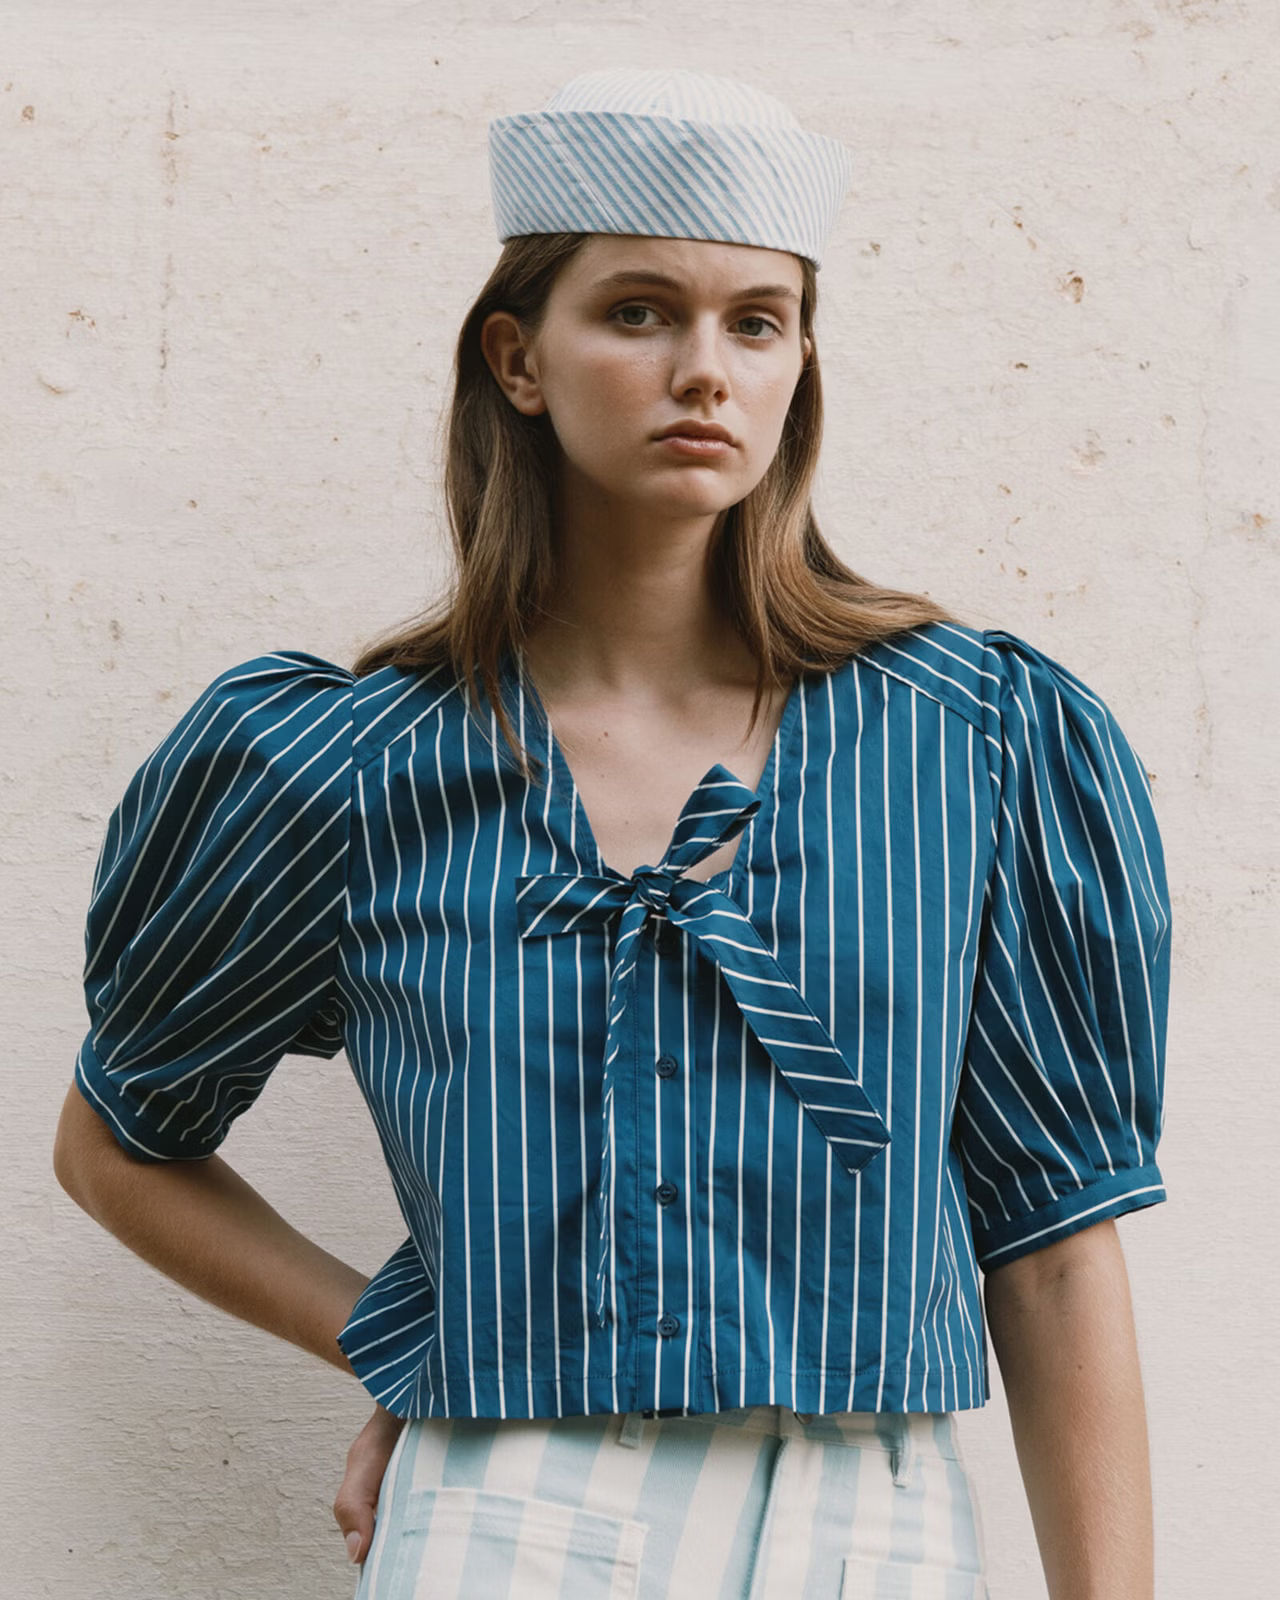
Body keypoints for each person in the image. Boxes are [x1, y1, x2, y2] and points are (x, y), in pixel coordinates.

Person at [53, 68, 1169, 1599]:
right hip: (502, 1512)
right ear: (517, 358)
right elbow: (117, 1140)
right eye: (640, 312)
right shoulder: (348, 769)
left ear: (799, 363)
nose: (704, 370)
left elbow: (1053, 1249)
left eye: (757, 322)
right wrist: (393, 1340)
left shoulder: (969, 743)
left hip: (878, 1526)